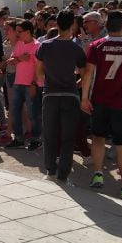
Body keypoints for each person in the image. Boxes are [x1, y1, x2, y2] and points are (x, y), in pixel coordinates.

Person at [81, 11, 122, 201]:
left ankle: (98, 174)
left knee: (98, 138)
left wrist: (84, 98)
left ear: (106, 25)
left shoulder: (96, 45)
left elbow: (88, 74)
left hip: (100, 100)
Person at [35, 10, 86, 183]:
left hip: (50, 94)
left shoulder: (45, 46)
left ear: (56, 24)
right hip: (70, 95)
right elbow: (84, 74)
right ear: (73, 24)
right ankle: (63, 175)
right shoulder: (76, 48)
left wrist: (49, 80)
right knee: (68, 137)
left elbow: (39, 73)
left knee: (49, 134)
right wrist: (76, 83)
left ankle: (50, 171)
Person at [7, 20, 40, 150]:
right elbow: (10, 61)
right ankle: (19, 139)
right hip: (18, 83)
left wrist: (33, 84)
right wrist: (20, 58)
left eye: (19, 31)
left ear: (28, 32)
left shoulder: (37, 45)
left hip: (31, 84)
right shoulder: (19, 44)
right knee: (14, 112)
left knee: (33, 114)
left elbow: (39, 67)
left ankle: (36, 139)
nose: (17, 33)